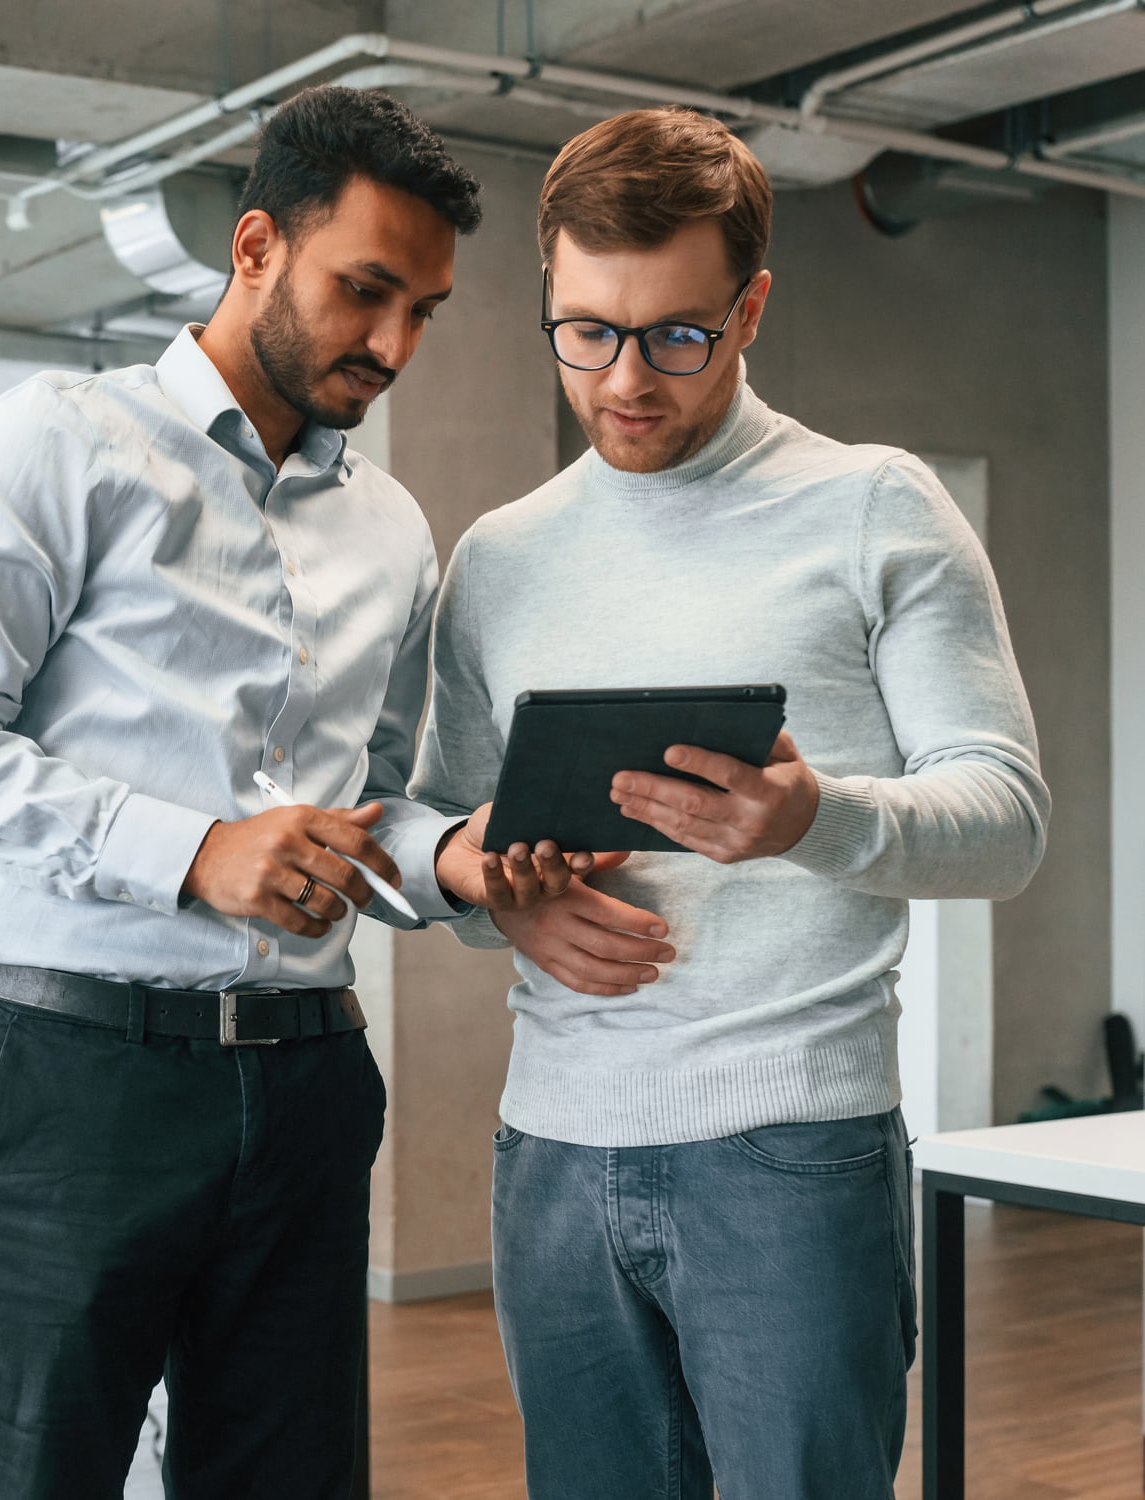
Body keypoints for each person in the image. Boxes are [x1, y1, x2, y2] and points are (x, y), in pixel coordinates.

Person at [0, 86, 576, 1500]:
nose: (392, 344)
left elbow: (367, 804)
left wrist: (455, 862)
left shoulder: (390, 526)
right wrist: (193, 852)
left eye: (423, 310)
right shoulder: (60, 438)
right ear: (256, 245)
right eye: (363, 291)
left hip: (307, 1081)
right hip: (76, 1078)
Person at [410, 107, 1050, 1500]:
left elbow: (1005, 819)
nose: (628, 380)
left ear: (750, 307)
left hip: (792, 1154)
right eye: (587, 331)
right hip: (554, 1156)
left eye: (678, 337)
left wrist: (813, 820)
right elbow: (439, 837)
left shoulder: (878, 509)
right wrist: (496, 897)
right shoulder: (501, 561)